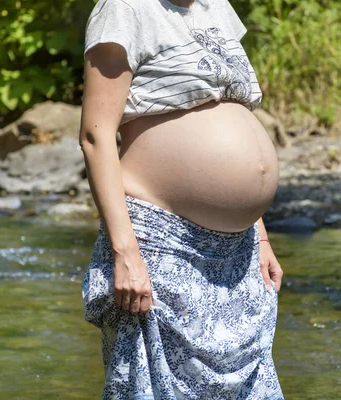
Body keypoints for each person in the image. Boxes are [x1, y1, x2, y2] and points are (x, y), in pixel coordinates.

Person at [80, 0, 284, 398]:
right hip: (160, 240)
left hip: (235, 250)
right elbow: (95, 136)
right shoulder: (124, 8)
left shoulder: (216, 7)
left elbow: (231, 109)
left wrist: (258, 234)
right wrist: (125, 252)